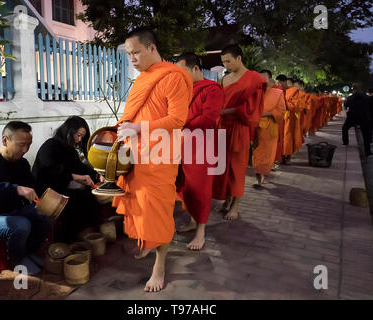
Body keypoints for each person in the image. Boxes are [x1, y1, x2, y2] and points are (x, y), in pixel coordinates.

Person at [113, 27, 193, 292]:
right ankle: (147, 244)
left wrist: (138, 128)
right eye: (128, 54)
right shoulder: (142, 79)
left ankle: (160, 265)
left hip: (160, 156)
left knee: (157, 212)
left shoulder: (173, 77)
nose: (132, 58)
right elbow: (133, 112)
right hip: (136, 154)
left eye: (136, 52)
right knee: (138, 206)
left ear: (152, 48)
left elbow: (177, 119)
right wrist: (126, 127)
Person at [0, 121, 51, 275]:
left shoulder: (22, 163)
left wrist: (50, 195)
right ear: (5, 140)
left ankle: (29, 252)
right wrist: (16, 189)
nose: (25, 150)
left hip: (13, 212)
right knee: (21, 225)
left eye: (29, 145)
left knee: (45, 213)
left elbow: (33, 186)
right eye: (21, 145)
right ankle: (18, 259)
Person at [175, 52, 224, 250]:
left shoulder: (213, 90)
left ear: (196, 69)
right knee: (186, 187)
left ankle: (201, 233)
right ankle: (193, 221)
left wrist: (180, 123)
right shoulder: (183, 90)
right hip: (182, 144)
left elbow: (208, 118)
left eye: (182, 71)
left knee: (201, 189)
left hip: (203, 147)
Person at [212, 44, 266, 220]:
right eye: (223, 62)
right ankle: (226, 201)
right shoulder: (225, 79)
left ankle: (235, 205)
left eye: (228, 61)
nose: (226, 65)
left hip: (238, 128)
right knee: (222, 168)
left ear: (239, 58)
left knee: (237, 168)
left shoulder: (254, 79)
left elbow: (250, 108)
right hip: (222, 128)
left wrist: (226, 112)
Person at [32, 116, 101, 244]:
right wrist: (76, 177)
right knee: (72, 201)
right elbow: (50, 171)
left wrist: (97, 176)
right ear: (68, 131)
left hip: (62, 185)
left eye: (82, 137)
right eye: (78, 135)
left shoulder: (70, 149)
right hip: (46, 190)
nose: (79, 139)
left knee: (88, 195)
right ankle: (66, 242)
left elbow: (80, 168)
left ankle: (85, 233)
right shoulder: (50, 145)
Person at [252, 70, 286, 186]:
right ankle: (258, 172)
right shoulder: (255, 92)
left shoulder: (278, 93)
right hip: (255, 126)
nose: (261, 79)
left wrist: (267, 114)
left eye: (264, 77)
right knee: (256, 152)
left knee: (266, 153)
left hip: (269, 127)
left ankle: (260, 175)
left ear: (270, 78)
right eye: (259, 77)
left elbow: (281, 111)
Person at [342, 83, 373, 157]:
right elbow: (371, 107)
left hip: (352, 117)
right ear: (361, 88)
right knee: (366, 135)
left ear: (353, 89)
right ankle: (368, 152)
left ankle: (345, 142)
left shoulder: (350, 97)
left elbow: (346, 105)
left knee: (345, 128)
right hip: (364, 117)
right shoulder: (367, 97)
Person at [282, 77, 300, 164]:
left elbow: (294, 106)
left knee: (288, 138)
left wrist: (284, 102)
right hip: (281, 117)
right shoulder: (280, 90)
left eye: (288, 83)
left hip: (289, 117)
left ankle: (288, 156)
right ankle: (281, 157)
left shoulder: (294, 91)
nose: (286, 84)